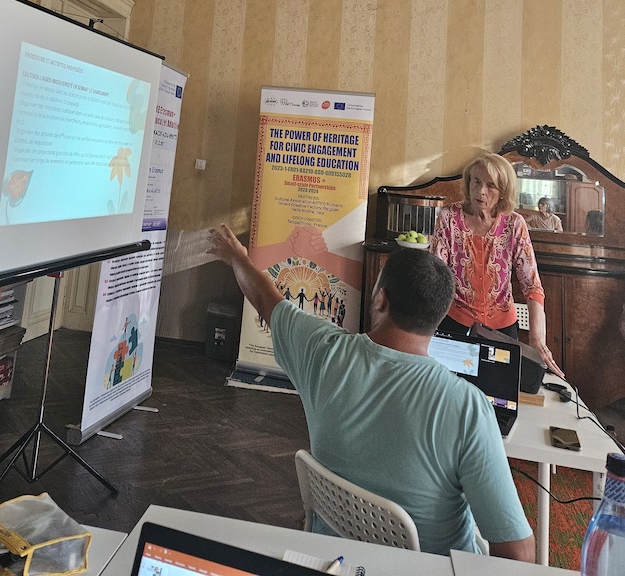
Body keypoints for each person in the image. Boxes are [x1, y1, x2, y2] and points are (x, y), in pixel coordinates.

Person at [207, 224, 535, 561]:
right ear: (438, 317)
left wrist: (238, 257)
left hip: (335, 557)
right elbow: (517, 553)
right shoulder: (468, 407)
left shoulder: (321, 350)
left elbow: (265, 298)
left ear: (380, 299)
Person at [431, 153, 563, 377]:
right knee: (453, 390)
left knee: (500, 392)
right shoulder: (449, 218)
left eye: (490, 185)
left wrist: (537, 339)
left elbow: (532, 284)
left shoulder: (514, 224)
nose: (481, 191)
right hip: (455, 323)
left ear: (503, 190)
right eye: (476, 181)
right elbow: (436, 276)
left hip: (502, 330)